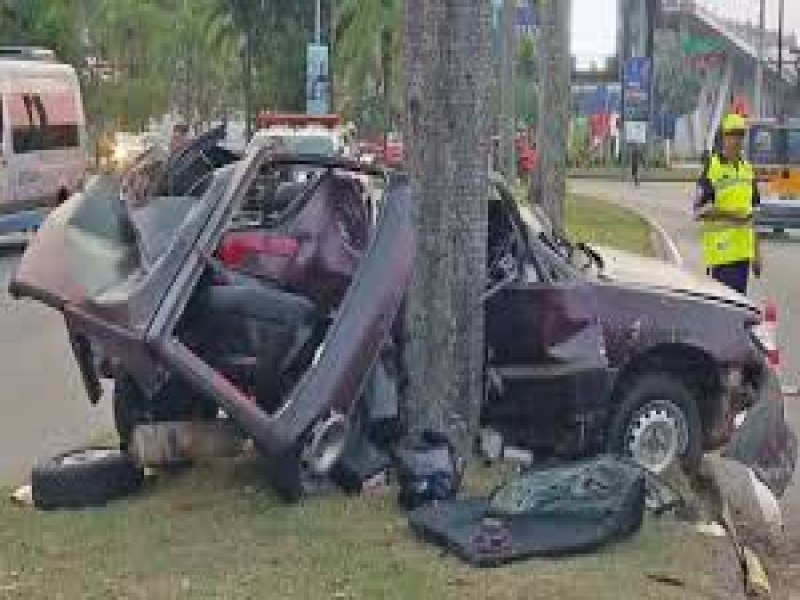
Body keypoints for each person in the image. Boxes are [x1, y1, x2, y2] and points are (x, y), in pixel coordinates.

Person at [694, 112, 761, 295]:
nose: (736, 139)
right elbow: (698, 211)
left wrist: (756, 253)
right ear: (723, 137)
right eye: (732, 134)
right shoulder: (713, 167)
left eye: (740, 134)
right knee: (721, 312)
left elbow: (752, 214)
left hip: (742, 256)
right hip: (721, 256)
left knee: (739, 310)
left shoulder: (747, 169)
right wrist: (732, 215)